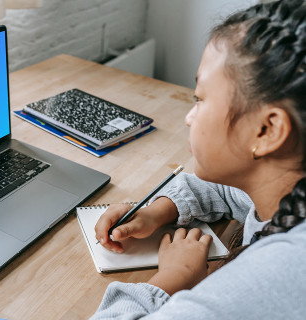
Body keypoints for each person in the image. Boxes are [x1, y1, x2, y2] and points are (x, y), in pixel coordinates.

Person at [90, 0, 306, 319]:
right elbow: (233, 193)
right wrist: (156, 212)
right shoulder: (286, 188)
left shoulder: (274, 276)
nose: (189, 117)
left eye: (200, 99)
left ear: (268, 130)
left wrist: (173, 278)